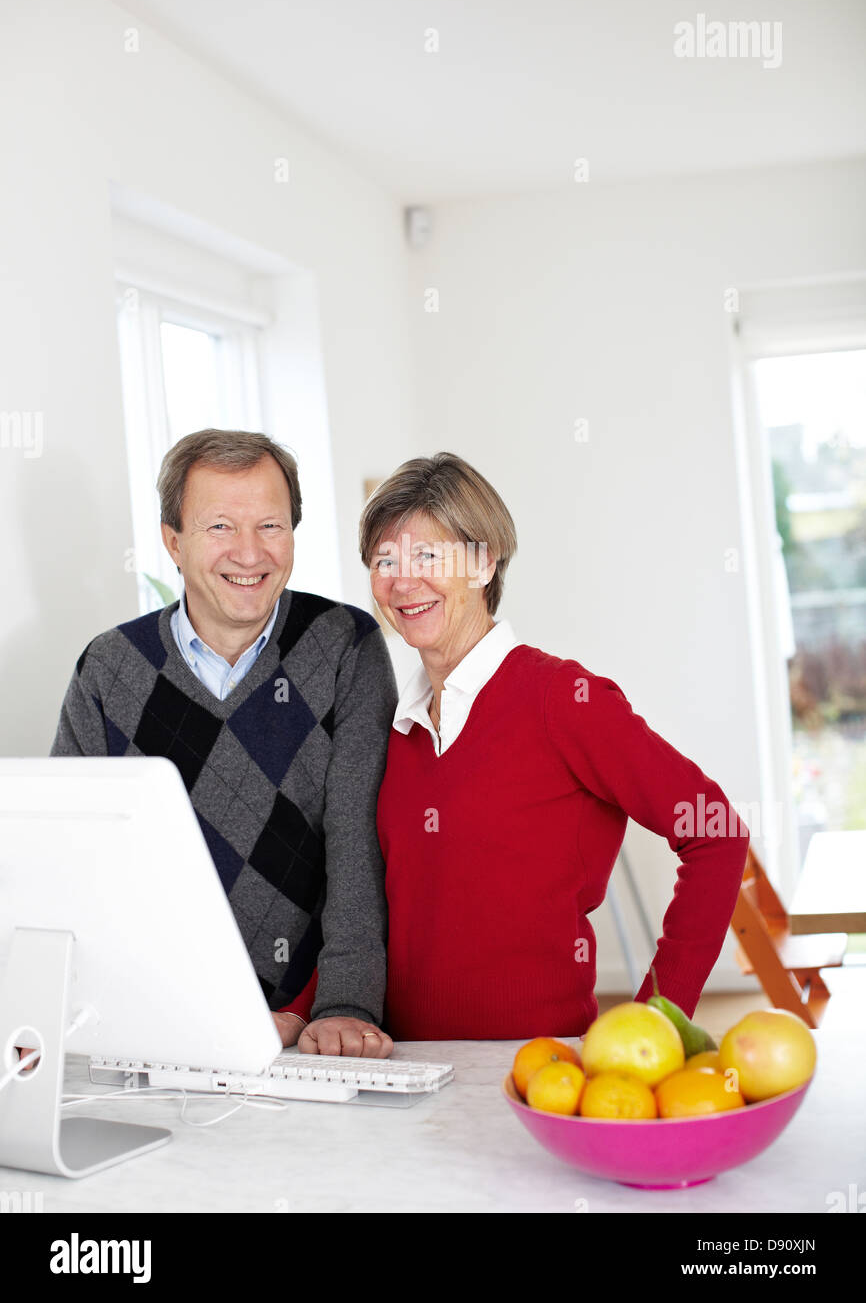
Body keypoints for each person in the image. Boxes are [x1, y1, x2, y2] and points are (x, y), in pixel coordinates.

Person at [360, 451, 751, 1041]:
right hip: (401, 1068)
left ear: (484, 562)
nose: (402, 580)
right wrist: (303, 1010)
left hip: (537, 1069)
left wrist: (658, 1018)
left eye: (427, 555)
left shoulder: (562, 699)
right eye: (384, 559)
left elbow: (717, 830)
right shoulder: (394, 725)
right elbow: (367, 900)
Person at [51, 429, 397, 1058]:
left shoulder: (346, 646)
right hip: (153, 1024)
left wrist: (344, 1005)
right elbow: (70, 863)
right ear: (172, 541)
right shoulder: (108, 669)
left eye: (270, 525)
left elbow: (358, 846)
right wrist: (45, 1011)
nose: (249, 552)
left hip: (310, 1024)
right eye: (219, 527)